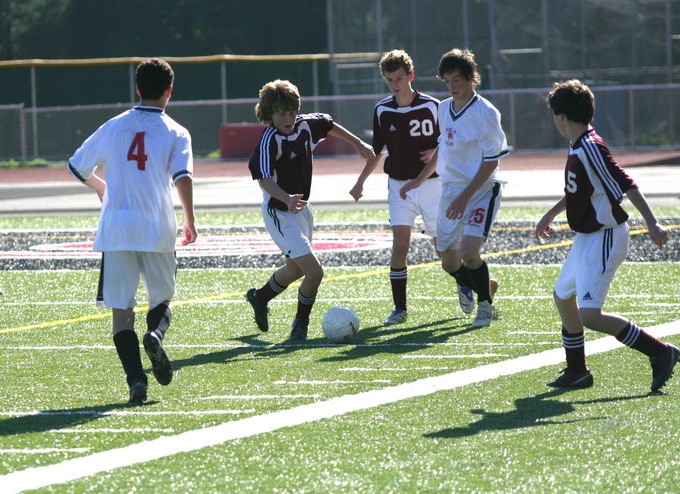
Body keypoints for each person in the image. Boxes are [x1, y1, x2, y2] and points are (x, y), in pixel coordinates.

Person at [68, 58, 197, 404]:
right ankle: (155, 335)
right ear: (169, 91)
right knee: (163, 299)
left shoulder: (113, 126)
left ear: (137, 88)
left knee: (122, 311)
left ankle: (136, 382)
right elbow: (183, 177)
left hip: (117, 228)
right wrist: (190, 219)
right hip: (157, 225)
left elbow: (76, 165)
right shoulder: (176, 131)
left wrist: (101, 186)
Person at [536, 79, 677, 391]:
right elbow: (580, 191)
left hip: (605, 237)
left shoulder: (590, 147)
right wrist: (551, 213)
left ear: (561, 115)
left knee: (589, 315)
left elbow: (626, 183)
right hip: (587, 238)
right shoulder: (578, 143)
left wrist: (652, 222)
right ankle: (578, 371)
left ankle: (660, 352)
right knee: (563, 296)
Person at [246, 79, 375, 340]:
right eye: (282, 114)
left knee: (294, 269)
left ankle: (260, 297)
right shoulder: (269, 140)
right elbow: (264, 179)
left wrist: (358, 144)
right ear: (270, 114)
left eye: (292, 112)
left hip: (302, 209)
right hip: (279, 212)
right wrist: (286, 198)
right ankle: (300, 325)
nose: (289, 119)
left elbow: (328, 124)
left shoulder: (304, 125)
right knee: (314, 272)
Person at [400, 48, 507, 328]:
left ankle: (485, 306)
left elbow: (491, 162)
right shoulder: (443, 108)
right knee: (449, 262)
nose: (452, 86)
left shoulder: (486, 113)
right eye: (447, 81)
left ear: (472, 78)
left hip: (481, 191)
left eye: (457, 79)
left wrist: (465, 197)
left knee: (469, 253)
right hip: (451, 191)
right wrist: (419, 179)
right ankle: (484, 285)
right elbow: (443, 147)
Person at [349, 49, 441, 326]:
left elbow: (450, 141)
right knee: (400, 243)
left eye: (399, 78)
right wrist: (360, 182)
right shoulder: (383, 109)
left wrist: (437, 153)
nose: (395, 84)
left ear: (410, 76)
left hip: (432, 184)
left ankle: (467, 285)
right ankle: (400, 308)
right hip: (398, 185)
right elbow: (377, 150)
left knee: (443, 249)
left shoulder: (433, 106)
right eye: (389, 79)